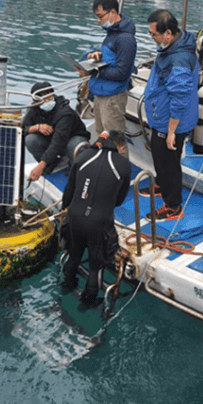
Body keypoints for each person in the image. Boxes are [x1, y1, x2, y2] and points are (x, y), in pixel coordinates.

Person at [60, 131, 131, 308]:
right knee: (95, 265)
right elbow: (120, 199)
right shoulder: (123, 165)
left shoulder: (84, 155)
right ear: (121, 147)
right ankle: (89, 300)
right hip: (99, 222)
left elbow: (69, 190)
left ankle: (67, 285)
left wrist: (65, 212)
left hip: (75, 216)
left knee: (74, 254)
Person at [144, 10, 200, 221]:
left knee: (169, 163)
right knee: (160, 159)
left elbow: (180, 97)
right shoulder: (176, 44)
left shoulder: (179, 60)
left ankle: (173, 206)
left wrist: (171, 132)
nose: (153, 39)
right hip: (161, 117)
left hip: (171, 122)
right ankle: (162, 185)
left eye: (154, 35)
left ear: (168, 33)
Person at [78, 0, 137, 159]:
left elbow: (122, 73)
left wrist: (96, 71)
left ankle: (120, 175)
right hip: (101, 93)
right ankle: (106, 169)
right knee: (101, 135)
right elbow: (110, 59)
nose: (98, 20)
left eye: (100, 16)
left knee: (115, 139)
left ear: (112, 13)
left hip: (113, 97)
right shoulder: (112, 33)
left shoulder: (125, 39)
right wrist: (95, 55)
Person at [23, 81, 91, 182]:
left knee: (75, 144)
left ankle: (75, 171)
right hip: (51, 139)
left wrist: (41, 164)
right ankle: (50, 165)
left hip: (71, 138)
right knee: (30, 139)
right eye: (44, 99)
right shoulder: (34, 109)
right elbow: (22, 128)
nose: (47, 101)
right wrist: (36, 127)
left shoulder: (65, 113)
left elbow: (58, 141)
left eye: (50, 97)